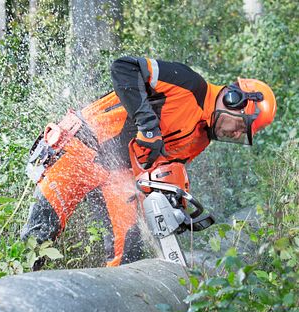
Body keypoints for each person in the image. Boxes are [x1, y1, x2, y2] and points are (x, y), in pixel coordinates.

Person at [21, 56, 277, 267]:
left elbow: (157, 170)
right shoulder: (188, 84)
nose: (235, 134)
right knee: (38, 236)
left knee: (127, 256)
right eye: (241, 126)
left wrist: (170, 201)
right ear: (235, 100)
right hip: (84, 146)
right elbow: (123, 67)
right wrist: (148, 126)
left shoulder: (200, 139)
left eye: (242, 134)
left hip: (118, 176)